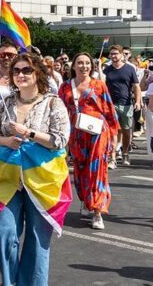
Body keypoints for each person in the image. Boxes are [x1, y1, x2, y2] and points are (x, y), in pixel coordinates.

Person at [0, 53, 71, 286]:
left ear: (38, 75)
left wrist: (28, 133)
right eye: (16, 71)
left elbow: (61, 140)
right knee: (4, 231)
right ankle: (10, 282)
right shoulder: (8, 102)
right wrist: (7, 141)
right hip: (9, 175)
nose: (20, 75)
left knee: (37, 239)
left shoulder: (53, 102)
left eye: (27, 70)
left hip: (42, 178)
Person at [58, 53, 119, 230]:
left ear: (91, 66)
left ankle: (98, 211)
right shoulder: (65, 87)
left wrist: (114, 137)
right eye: (80, 63)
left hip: (98, 133)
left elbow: (109, 110)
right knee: (80, 171)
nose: (84, 66)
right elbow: (60, 113)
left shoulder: (99, 85)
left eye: (87, 63)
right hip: (76, 135)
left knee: (97, 172)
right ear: (73, 66)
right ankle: (85, 200)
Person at [103, 45, 141, 167]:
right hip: (110, 105)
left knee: (126, 131)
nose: (114, 56)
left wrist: (138, 101)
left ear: (121, 54)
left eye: (116, 53)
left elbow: (136, 86)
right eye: (112, 54)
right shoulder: (107, 70)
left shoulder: (130, 69)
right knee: (111, 132)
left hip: (126, 104)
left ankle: (125, 153)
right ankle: (112, 158)